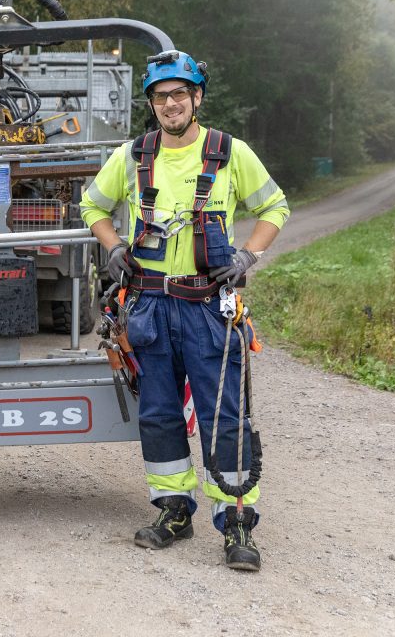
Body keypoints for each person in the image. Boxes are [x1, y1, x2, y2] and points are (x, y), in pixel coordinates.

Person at [79, 50, 289, 572]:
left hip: (208, 309)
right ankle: (174, 508)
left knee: (225, 415)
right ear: (151, 103)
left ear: (197, 97)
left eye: (179, 94)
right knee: (159, 413)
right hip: (149, 306)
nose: (170, 104)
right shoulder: (133, 156)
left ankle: (237, 520)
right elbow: (93, 205)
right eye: (160, 96)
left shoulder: (228, 153)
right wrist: (111, 247)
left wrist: (248, 255)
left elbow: (274, 207)